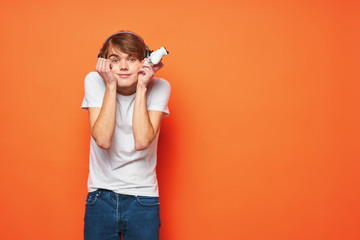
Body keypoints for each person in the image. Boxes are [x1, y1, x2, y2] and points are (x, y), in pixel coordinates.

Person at [81, 31, 171, 240]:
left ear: (144, 61)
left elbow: (142, 141)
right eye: (115, 60)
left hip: (143, 198)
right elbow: (103, 140)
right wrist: (110, 85)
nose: (123, 67)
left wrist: (142, 87)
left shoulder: (159, 87)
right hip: (100, 196)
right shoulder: (95, 81)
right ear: (105, 63)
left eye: (131, 59)